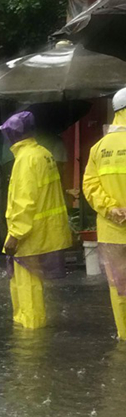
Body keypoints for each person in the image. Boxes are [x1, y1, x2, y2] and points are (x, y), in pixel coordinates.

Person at [1, 111, 72, 329]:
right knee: (31, 286)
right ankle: (31, 332)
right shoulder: (43, 153)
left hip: (29, 236)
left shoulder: (26, 159)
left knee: (27, 289)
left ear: (15, 134)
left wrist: (15, 234)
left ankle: (31, 340)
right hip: (43, 231)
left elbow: (25, 200)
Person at [83, 87, 126, 340]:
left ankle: (123, 336)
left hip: (112, 231)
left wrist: (112, 209)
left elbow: (89, 186)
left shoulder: (99, 148)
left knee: (119, 287)